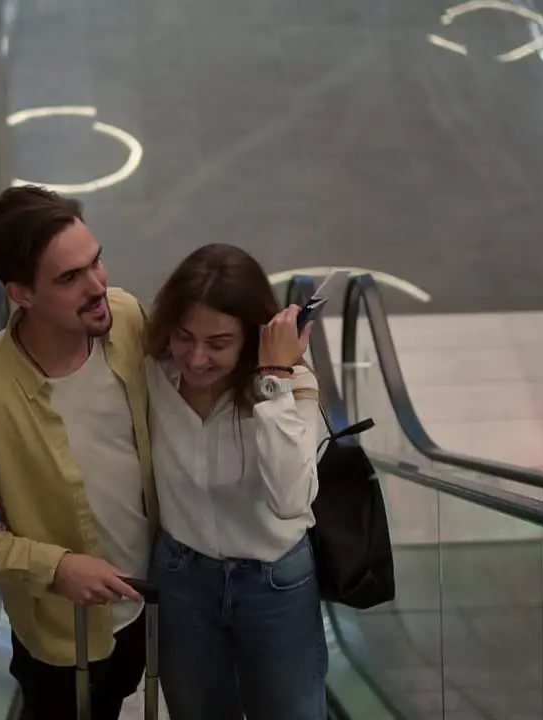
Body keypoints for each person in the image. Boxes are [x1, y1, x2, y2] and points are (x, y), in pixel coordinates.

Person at [0, 185, 157, 720]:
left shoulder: (127, 319)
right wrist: (55, 566)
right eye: (69, 279)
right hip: (62, 635)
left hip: (150, 602)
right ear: (21, 294)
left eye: (95, 262)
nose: (98, 286)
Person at [144, 243, 326, 720]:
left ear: (253, 336)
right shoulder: (154, 374)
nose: (197, 358)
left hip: (274, 582)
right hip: (182, 578)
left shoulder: (290, 389)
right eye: (184, 336)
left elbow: (292, 500)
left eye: (219, 343)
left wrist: (273, 380)